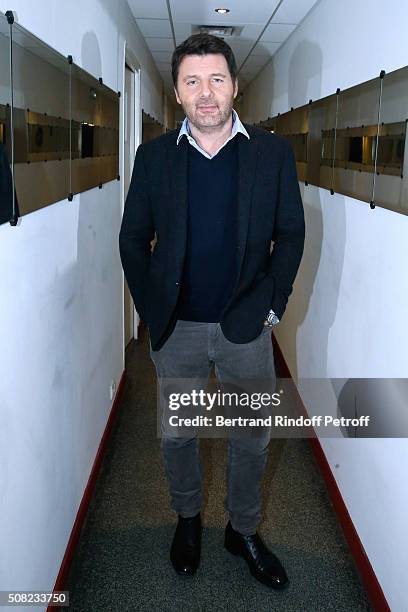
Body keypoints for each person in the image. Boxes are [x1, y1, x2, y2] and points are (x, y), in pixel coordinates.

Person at [119, 33, 305, 589]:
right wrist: (152, 311)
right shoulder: (154, 157)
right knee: (179, 435)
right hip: (177, 328)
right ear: (177, 91)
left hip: (246, 327)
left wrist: (272, 308)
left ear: (234, 86)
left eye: (216, 80)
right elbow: (133, 240)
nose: (206, 93)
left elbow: (290, 236)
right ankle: (189, 519)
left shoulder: (271, 154)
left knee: (253, 435)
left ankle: (242, 529)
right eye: (193, 81)